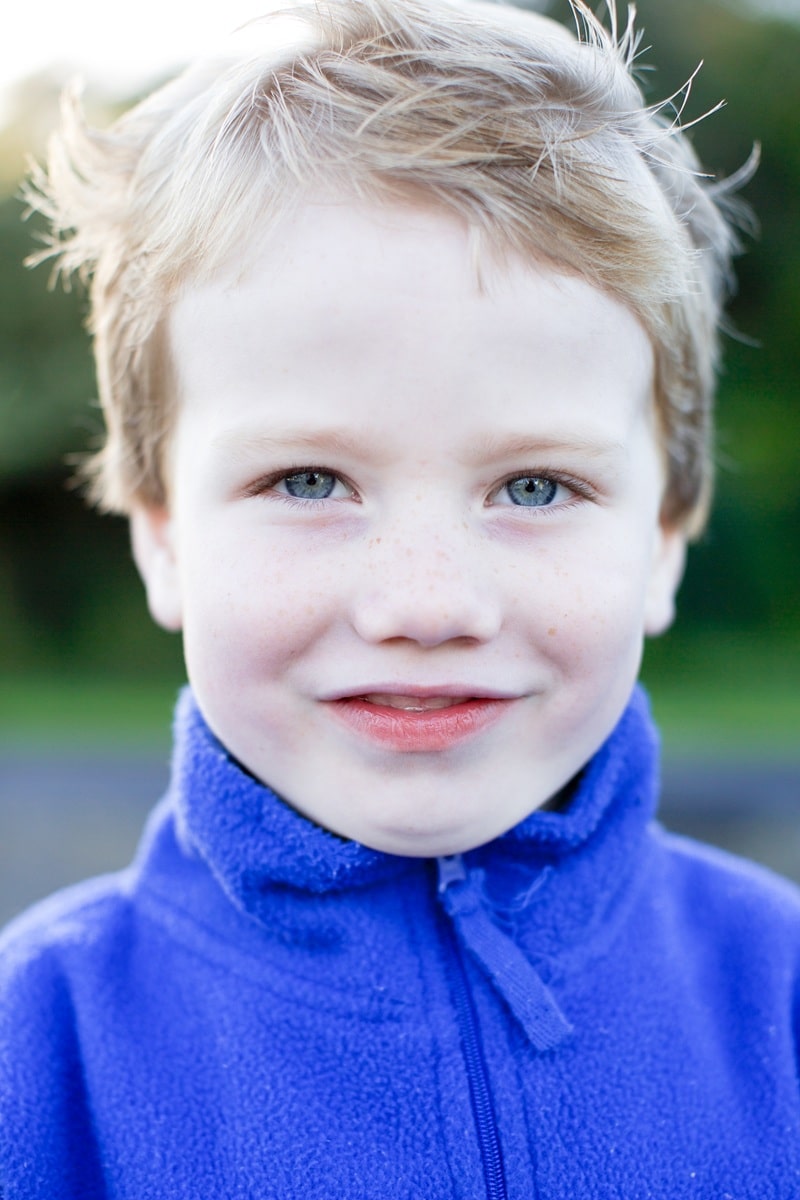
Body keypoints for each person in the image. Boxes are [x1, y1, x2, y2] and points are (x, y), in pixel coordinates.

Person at [1, 0, 798, 1194]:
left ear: (663, 542)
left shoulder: (775, 999)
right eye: (308, 479)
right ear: (163, 536)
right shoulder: (41, 1052)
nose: (424, 604)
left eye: (534, 486)